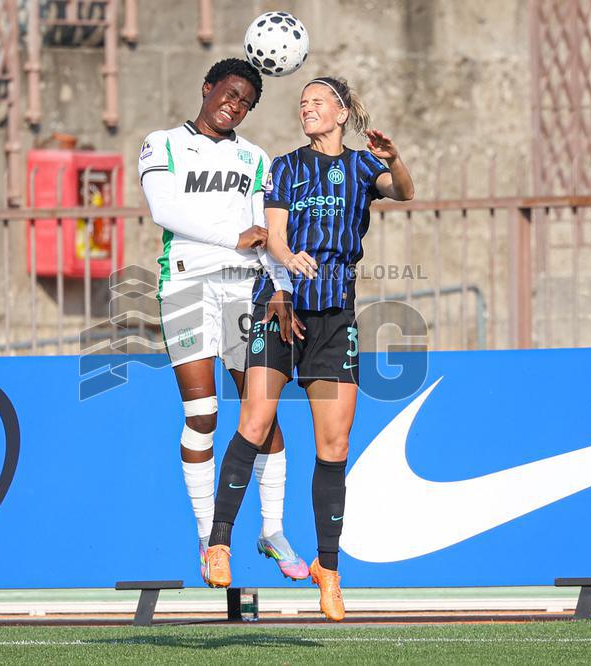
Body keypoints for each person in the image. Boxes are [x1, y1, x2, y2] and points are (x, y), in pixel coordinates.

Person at [201, 76, 415, 621]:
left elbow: (405, 191)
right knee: (255, 420)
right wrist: (288, 259)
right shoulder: (285, 166)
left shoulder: (365, 167)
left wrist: (395, 157)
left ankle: (329, 569)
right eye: (303, 104)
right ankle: (219, 542)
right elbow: (273, 234)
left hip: (335, 316)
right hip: (280, 308)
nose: (308, 109)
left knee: (335, 444)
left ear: (342, 113)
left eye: (318, 102)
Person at [137, 59, 309, 586]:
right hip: (187, 284)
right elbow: (164, 209)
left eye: (246, 102)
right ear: (208, 87)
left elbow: (266, 230)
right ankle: (208, 535)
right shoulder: (161, 143)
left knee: (262, 415)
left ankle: (273, 529)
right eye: (230, 94)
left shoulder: (254, 158)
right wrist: (229, 237)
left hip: (245, 290)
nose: (235, 105)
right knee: (203, 411)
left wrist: (280, 285)